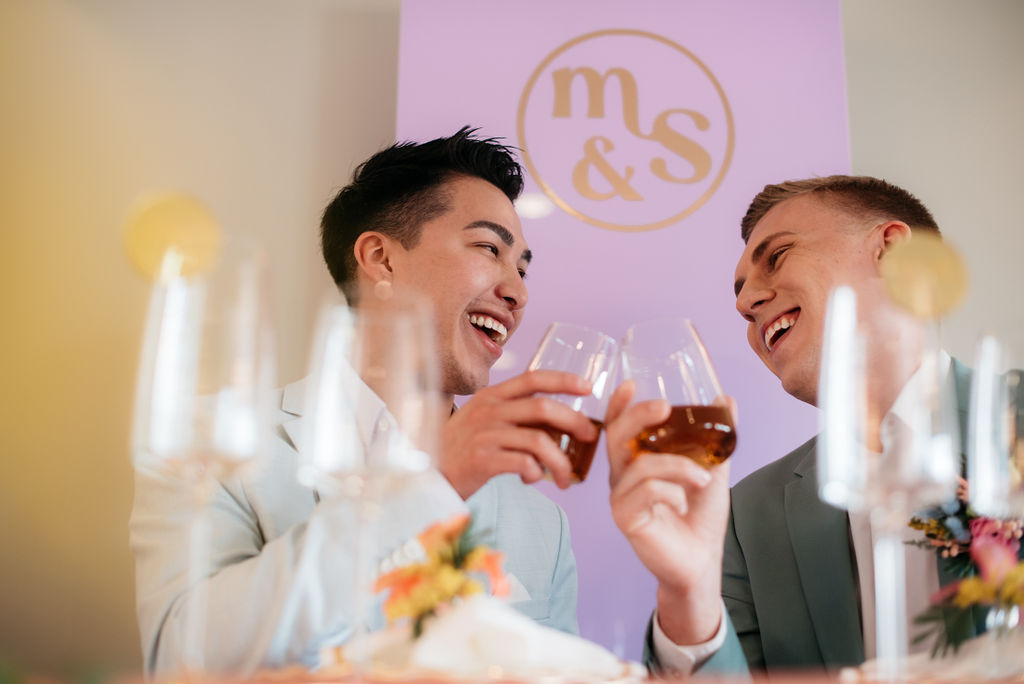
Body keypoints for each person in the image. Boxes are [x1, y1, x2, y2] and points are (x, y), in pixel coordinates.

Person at [130, 127, 598, 676]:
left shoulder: (542, 520)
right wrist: (430, 486)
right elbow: (184, 659)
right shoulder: (215, 439)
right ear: (379, 257)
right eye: (489, 248)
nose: (517, 291)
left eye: (521, 266)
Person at [605, 175, 984, 673]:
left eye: (777, 256)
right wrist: (689, 592)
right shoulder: (747, 515)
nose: (745, 304)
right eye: (739, 296)